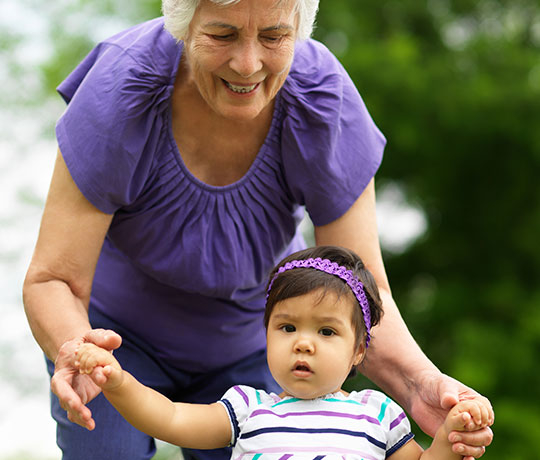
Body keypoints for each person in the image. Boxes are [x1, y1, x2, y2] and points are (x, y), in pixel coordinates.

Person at [22, 0, 493, 459]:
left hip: (258, 346)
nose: (248, 64)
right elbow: (53, 279)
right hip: (115, 341)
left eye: (274, 36)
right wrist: (76, 348)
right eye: (223, 34)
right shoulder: (122, 89)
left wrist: (420, 386)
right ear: (184, 25)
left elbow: (362, 292)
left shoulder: (321, 99)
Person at [74, 246, 494, 460]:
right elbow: (170, 418)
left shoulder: (378, 414)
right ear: (267, 333)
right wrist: (118, 380)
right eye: (287, 327)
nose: (303, 342)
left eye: (327, 331)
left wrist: (450, 439)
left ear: (358, 351)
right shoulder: (247, 408)